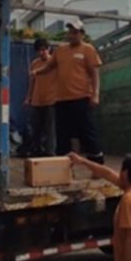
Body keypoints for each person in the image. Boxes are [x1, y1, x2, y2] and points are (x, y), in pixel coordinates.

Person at [32, 20, 104, 163]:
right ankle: (63, 166)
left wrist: (95, 94)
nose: (72, 35)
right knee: (62, 134)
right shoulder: (60, 50)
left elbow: (94, 73)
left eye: (75, 32)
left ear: (82, 34)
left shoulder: (88, 49)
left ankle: (97, 165)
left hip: (82, 97)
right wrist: (37, 72)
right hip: (61, 100)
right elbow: (49, 66)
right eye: (70, 32)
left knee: (87, 132)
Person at [23, 38, 57, 156]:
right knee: (36, 128)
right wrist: (28, 97)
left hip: (51, 100)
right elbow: (32, 82)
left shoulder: (54, 62)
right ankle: (36, 150)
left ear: (49, 49)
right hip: (37, 101)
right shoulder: (34, 63)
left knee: (50, 129)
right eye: (39, 50)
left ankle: (50, 152)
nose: (42, 52)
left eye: (44, 49)